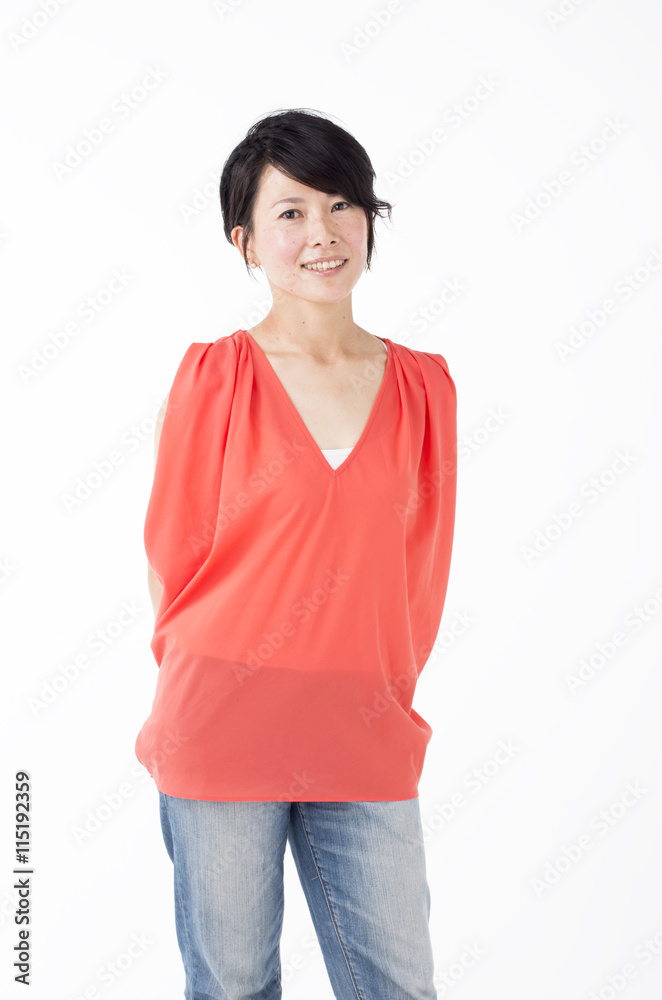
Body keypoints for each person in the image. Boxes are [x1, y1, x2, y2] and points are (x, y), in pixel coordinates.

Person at [135, 107, 457, 1000]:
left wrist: (374, 685)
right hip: (222, 726)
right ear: (244, 241)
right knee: (233, 984)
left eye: (342, 205)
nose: (322, 232)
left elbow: (420, 567)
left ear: (369, 219)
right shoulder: (213, 378)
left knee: (397, 984)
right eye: (290, 212)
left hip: (366, 729)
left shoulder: (425, 386)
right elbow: (170, 560)